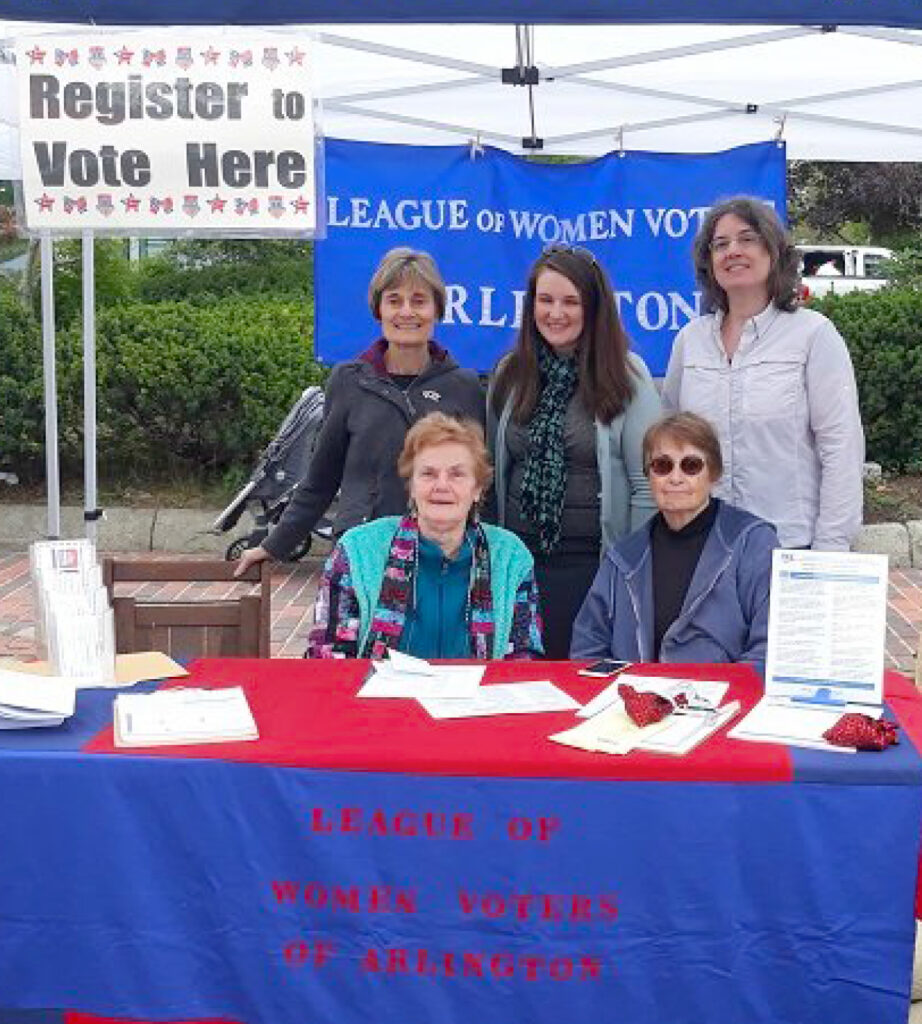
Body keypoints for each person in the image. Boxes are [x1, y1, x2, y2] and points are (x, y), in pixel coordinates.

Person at [236, 247, 484, 577]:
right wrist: (273, 546)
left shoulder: (464, 387)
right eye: (394, 300)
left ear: (437, 310)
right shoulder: (348, 381)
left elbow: (481, 483)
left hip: (442, 558)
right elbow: (320, 479)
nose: (406, 312)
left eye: (419, 300)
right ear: (378, 310)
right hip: (362, 555)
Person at [487, 245, 662, 659]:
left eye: (571, 301)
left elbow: (645, 483)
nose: (556, 313)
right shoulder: (510, 373)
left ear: (594, 307)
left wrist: (629, 572)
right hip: (518, 564)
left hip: (593, 565)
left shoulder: (627, 374)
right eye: (545, 300)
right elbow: (494, 469)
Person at [663, 196, 864, 550]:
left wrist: (830, 548)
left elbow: (841, 448)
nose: (733, 251)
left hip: (788, 547)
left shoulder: (813, 336)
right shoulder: (689, 342)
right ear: (708, 262)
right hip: (704, 546)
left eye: (747, 239)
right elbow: (671, 444)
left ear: (774, 251)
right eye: (720, 244)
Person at [307, 413, 543, 660]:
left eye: (457, 474)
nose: (441, 485)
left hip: (478, 697)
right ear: (412, 486)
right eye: (428, 474)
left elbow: (524, 657)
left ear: (477, 489)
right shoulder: (358, 551)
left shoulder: (510, 557)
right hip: (379, 696)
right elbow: (327, 655)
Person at [571, 412, 778, 675]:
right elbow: (587, 647)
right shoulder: (623, 557)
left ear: (713, 473)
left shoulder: (754, 542)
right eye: (662, 466)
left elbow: (769, 650)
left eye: (691, 465)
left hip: (723, 705)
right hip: (632, 704)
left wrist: (716, 695)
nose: (675, 478)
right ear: (649, 475)